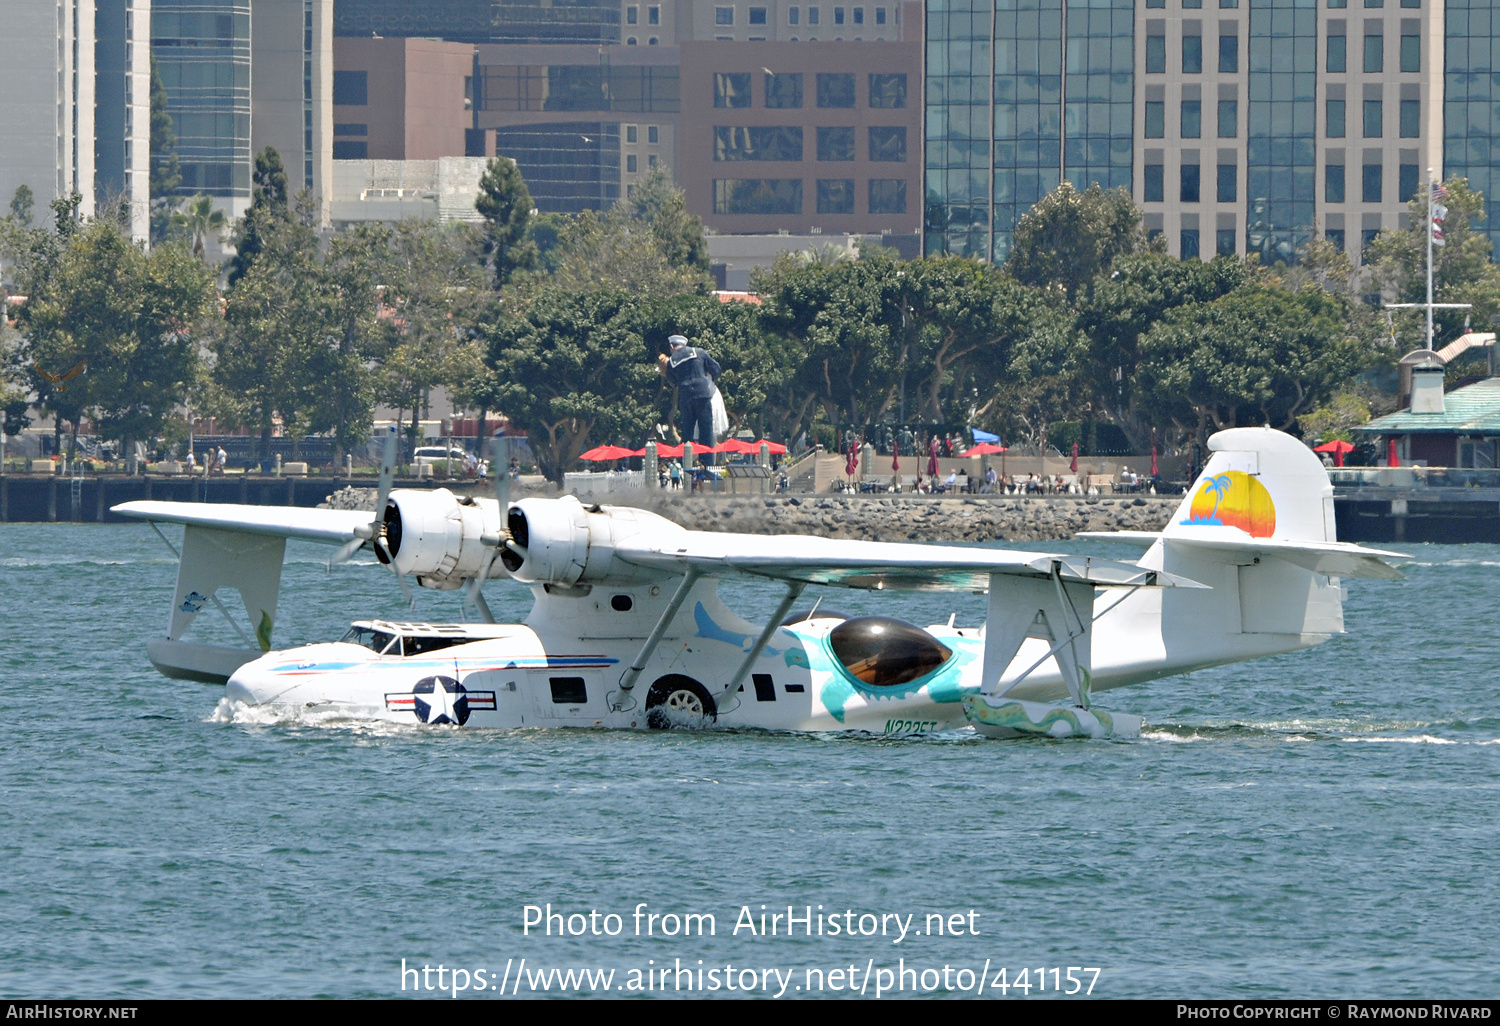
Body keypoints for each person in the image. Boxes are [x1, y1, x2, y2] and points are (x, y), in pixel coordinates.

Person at [662, 334, 721, 465]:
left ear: (672, 346)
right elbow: (716, 368)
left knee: (687, 431)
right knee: (706, 430)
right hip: (703, 394)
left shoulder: (672, 361)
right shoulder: (698, 352)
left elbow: (673, 383)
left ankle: (685, 463)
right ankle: (707, 464)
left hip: (686, 397)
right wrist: (709, 379)